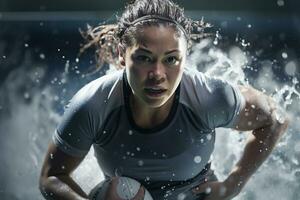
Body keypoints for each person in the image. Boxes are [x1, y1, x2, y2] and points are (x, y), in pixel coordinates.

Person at [39, 0, 289, 199]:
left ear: (185, 58)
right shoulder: (93, 105)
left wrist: (232, 185)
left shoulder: (209, 98)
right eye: (144, 58)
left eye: (171, 59)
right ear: (121, 55)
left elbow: (276, 120)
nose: (157, 75)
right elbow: (52, 176)